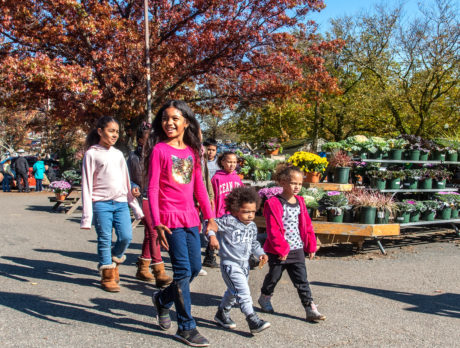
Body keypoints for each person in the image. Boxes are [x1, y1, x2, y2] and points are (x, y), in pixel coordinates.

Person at [146, 100, 217, 347]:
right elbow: (152, 188)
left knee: (195, 269)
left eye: (175, 118)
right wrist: (156, 223)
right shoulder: (159, 150)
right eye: (165, 118)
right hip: (169, 220)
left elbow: (199, 187)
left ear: (186, 121)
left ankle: (162, 300)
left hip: (190, 219)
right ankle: (186, 327)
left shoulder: (193, 151)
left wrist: (210, 218)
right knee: (183, 272)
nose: (169, 123)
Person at [80, 116, 144, 292]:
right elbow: (86, 184)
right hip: (101, 204)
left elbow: (125, 180)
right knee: (105, 239)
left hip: (121, 202)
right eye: (111, 131)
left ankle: (114, 261)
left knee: (126, 236)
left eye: (117, 131)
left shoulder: (118, 154)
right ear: (100, 131)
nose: (114, 135)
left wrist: (134, 195)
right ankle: (107, 274)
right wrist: (87, 216)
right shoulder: (91, 154)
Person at [258, 163, 326, 322]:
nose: (297, 187)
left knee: (302, 281)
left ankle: (310, 309)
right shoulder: (273, 203)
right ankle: (265, 297)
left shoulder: (301, 201)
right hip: (278, 250)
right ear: (282, 183)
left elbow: (307, 225)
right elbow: (273, 229)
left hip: (297, 249)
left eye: (300, 184)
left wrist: (310, 246)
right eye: (293, 183)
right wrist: (281, 250)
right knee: (273, 278)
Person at [207, 186, 271, 334]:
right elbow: (210, 224)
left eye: (253, 212)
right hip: (230, 264)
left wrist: (261, 253)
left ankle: (222, 313)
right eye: (246, 211)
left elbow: (254, 243)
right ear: (235, 210)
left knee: (233, 291)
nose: (250, 215)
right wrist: (212, 236)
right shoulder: (228, 221)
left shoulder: (253, 226)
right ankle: (252, 319)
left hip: (244, 265)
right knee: (243, 292)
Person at [127, 124, 173, 287]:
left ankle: (143, 267)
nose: (151, 142)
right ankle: (159, 270)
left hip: (157, 197)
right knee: (154, 230)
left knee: (149, 233)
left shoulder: (158, 154)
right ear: (140, 140)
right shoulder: (132, 157)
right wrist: (133, 185)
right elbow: (128, 177)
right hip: (142, 198)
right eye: (148, 140)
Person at [202, 151, 243, 268]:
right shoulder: (216, 178)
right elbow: (212, 196)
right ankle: (209, 257)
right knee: (215, 236)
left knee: (233, 236)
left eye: (234, 162)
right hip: (219, 212)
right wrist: (211, 213)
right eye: (229, 162)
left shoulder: (237, 178)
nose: (232, 165)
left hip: (233, 213)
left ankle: (239, 257)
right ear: (222, 162)